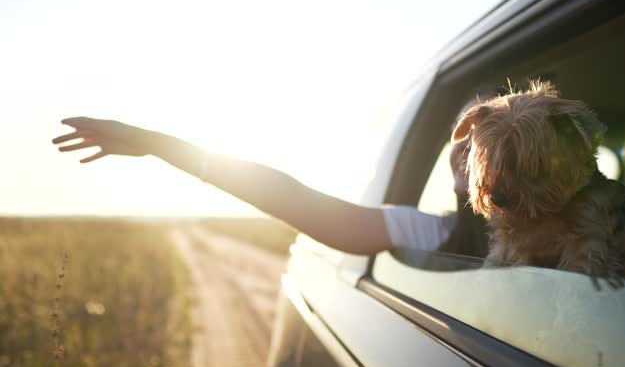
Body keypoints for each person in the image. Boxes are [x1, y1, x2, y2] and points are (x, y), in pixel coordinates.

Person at [51, 98, 491, 258]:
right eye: (464, 128)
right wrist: (155, 143)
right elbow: (293, 198)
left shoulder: (563, 238)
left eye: (497, 130)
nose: (472, 142)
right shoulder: (432, 231)